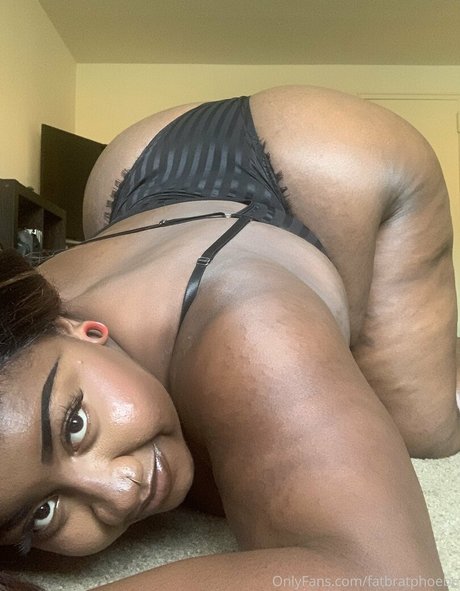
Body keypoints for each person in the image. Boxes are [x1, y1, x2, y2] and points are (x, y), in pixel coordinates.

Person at [0, 85, 458, 590]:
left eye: (75, 425)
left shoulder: (250, 326)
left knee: (424, 434)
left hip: (328, 157)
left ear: (84, 330)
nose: (120, 492)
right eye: (42, 513)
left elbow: (391, 578)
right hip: (130, 177)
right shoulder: (26, 351)